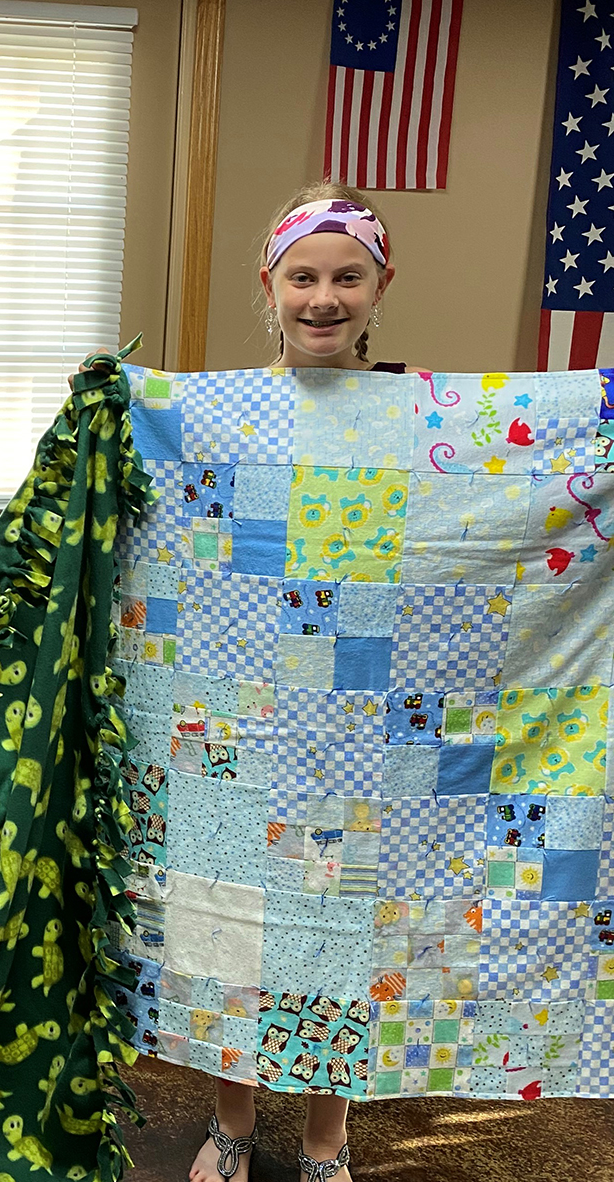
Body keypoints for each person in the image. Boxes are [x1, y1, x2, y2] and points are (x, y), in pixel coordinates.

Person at [189, 181, 420, 1182]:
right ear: (269, 284)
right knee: (224, 921)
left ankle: (325, 1134)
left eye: (345, 277)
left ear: (378, 287)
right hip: (234, 707)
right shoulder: (218, 414)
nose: (322, 296)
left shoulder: (412, 415)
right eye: (302, 276)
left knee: (338, 928)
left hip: (353, 715)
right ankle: (231, 1122)